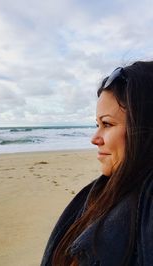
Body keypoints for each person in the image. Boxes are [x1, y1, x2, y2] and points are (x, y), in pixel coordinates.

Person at [41, 61, 153, 266]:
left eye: (107, 124)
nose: (95, 138)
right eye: (97, 125)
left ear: (146, 126)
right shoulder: (101, 193)